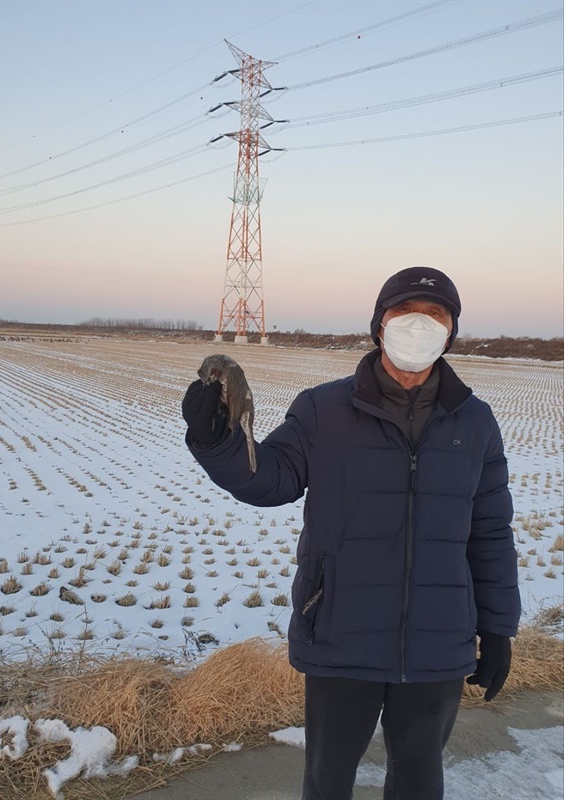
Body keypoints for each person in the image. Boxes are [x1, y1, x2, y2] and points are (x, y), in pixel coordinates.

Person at [182, 266, 521, 800]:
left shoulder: (474, 422)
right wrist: (216, 440)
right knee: (327, 779)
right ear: (379, 325)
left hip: (438, 643)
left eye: (435, 315)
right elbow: (268, 478)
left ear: (451, 330)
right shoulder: (323, 410)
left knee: (418, 778)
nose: (420, 325)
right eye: (405, 312)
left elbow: (491, 533)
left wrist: (499, 630)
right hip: (341, 634)